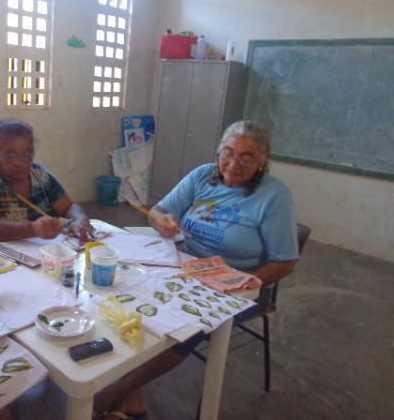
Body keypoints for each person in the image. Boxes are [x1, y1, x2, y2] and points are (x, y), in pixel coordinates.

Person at [94, 120, 299, 420]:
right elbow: (158, 211)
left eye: (246, 157)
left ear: (263, 160)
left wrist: (242, 281)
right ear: (218, 151)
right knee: (127, 297)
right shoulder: (204, 175)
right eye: (228, 152)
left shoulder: (273, 195)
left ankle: (116, 392)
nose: (233, 163)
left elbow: (285, 261)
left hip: (238, 284)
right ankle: (133, 395)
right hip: (184, 266)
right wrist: (162, 222)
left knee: (187, 326)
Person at [0, 119, 94, 241]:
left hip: (28, 252)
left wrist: (80, 219)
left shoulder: (40, 175)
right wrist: (32, 229)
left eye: (28, 153)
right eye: (10, 155)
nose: (20, 162)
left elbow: (68, 207)